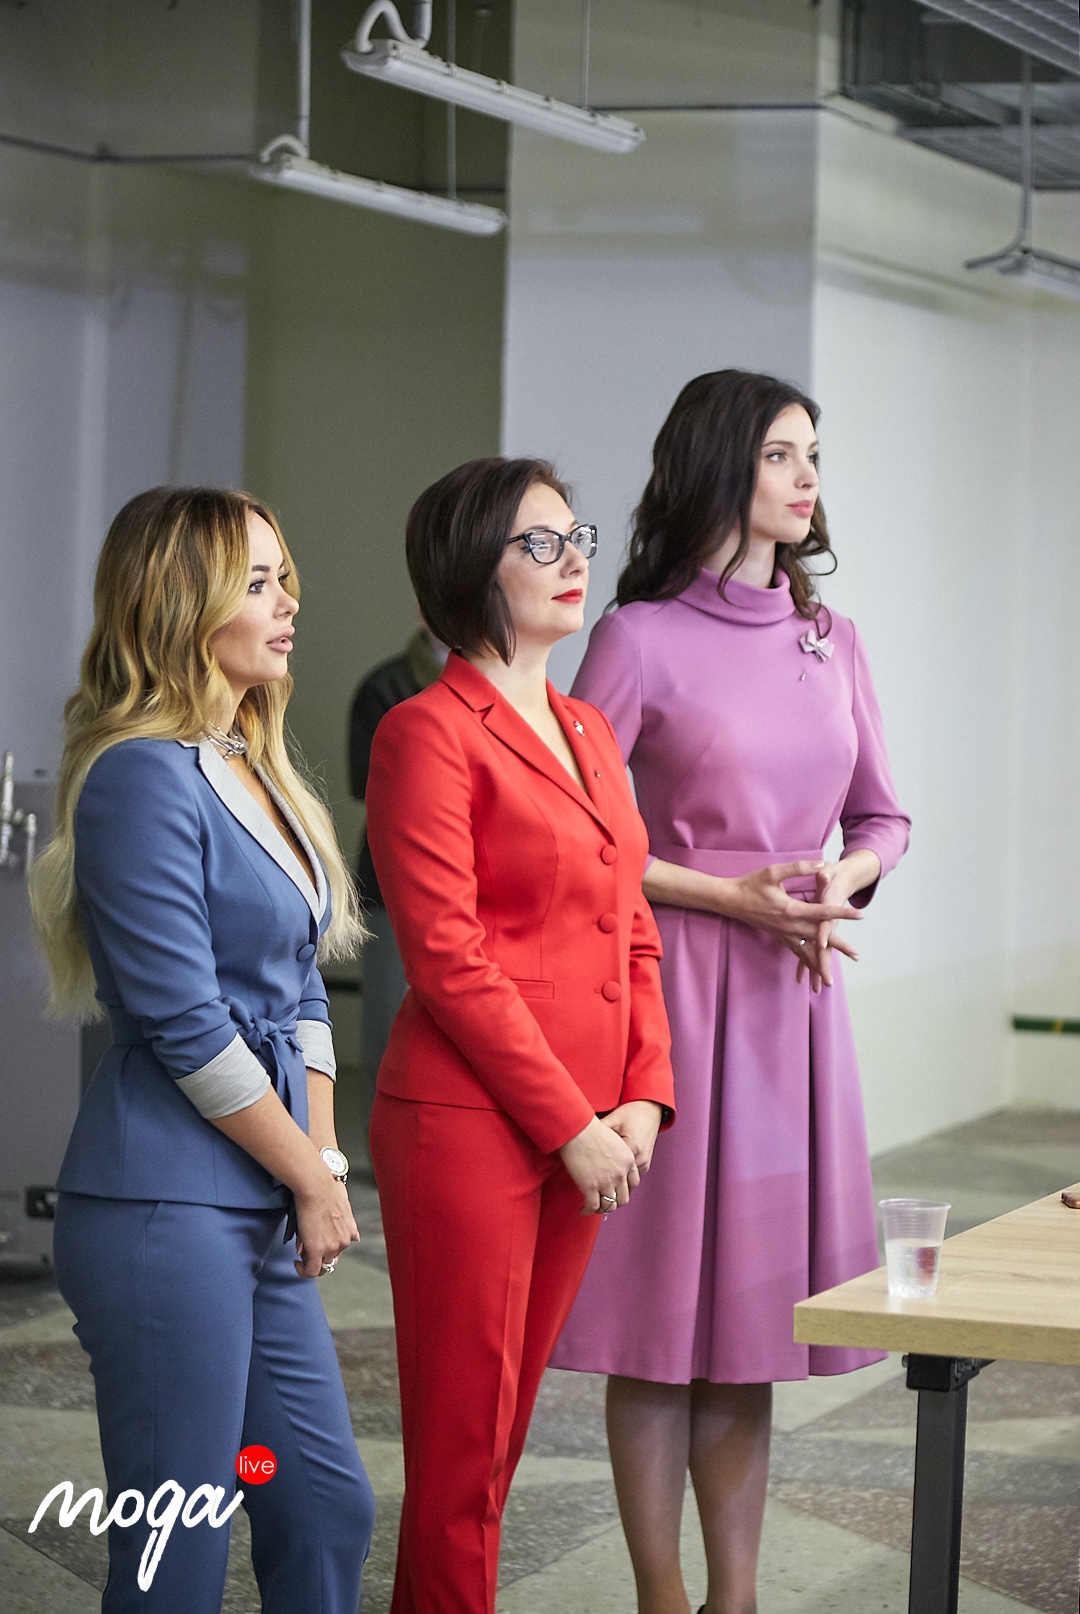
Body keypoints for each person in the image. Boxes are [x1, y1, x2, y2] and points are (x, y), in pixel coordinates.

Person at [551, 371, 911, 1614]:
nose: (808, 478)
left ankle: (735, 1600)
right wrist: (729, 894)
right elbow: (575, 831)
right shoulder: (636, 638)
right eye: (781, 455)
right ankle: (663, 1596)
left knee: (750, 1326)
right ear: (720, 466)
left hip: (793, 1010)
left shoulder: (834, 640)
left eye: (814, 455)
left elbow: (885, 818)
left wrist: (841, 874)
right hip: (674, 1002)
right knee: (661, 1326)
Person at [30, 486, 375, 1614]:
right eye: (258, 583)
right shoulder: (138, 773)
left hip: (264, 1192)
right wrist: (305, 1175)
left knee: (320, 1506)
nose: (288, 605)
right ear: (184, 602)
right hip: (162, 1210)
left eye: (286, 580)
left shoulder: (251, 763)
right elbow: (186, 1022)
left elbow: (300, 984)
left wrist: (321, 1164)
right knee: (180, 1537)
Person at [364, 456, 677, 1614]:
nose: (573, 558)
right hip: (472, 1129)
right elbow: (447, 959)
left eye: (575, 536)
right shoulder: (425, 732)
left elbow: (630, 924)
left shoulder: (588, 726)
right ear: (470, 567)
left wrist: (642, 1093)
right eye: (538, 542)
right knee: (462, 1457)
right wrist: (570, 1126)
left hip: (590, 1128)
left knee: (495, 1447)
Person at [347, 623, 448, 1138]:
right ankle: (380, 1147)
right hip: (391, 878)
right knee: (387, 1019)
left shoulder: (495, 681)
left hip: (466, 876)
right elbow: (363, 779)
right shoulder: (384, 684)